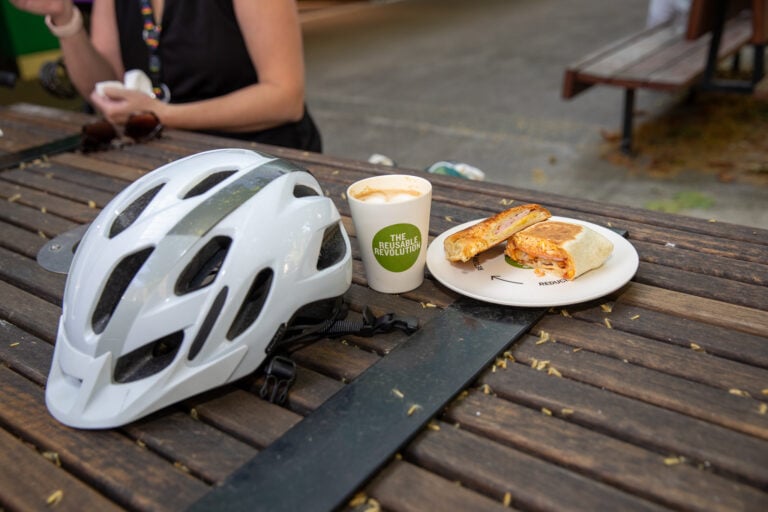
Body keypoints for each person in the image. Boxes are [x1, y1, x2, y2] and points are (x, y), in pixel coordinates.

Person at [10, 0, 322, 152]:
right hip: (168, 158)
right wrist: (65, 18)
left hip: (262, 158)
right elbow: (103, 87)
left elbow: (284, 98)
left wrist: (162, 114)